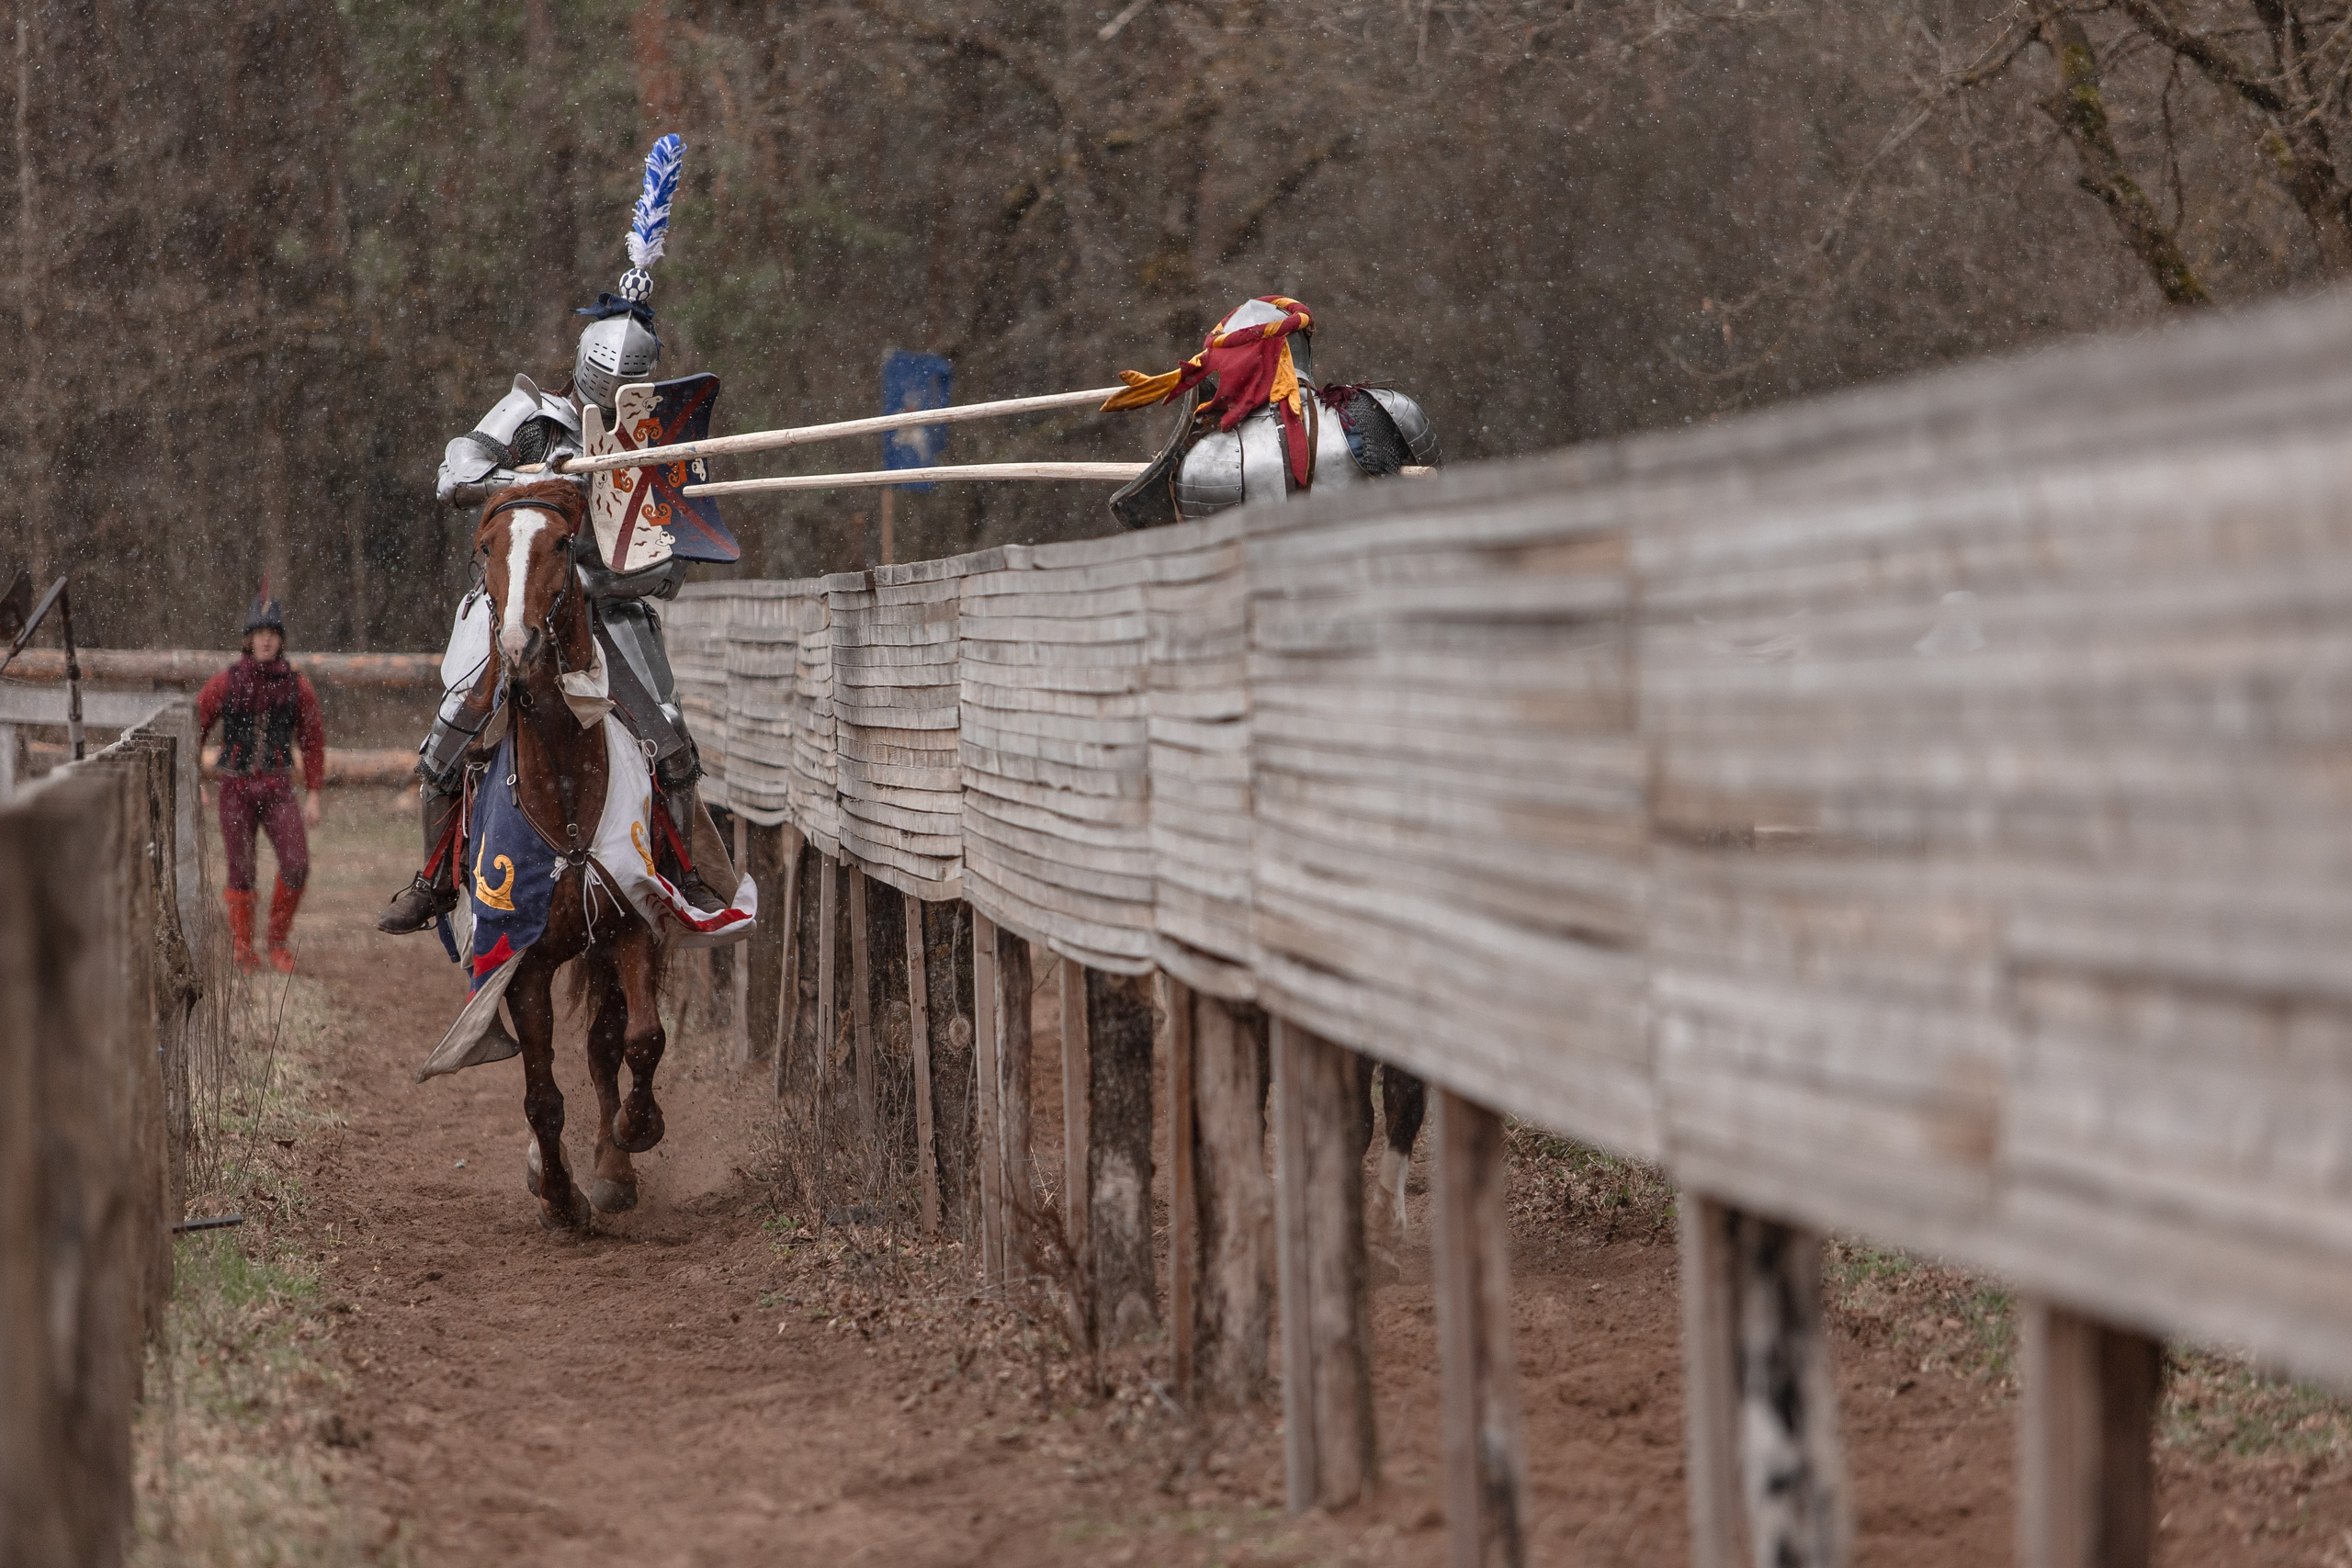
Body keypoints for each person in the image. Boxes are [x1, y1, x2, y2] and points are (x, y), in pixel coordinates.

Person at [377, 133, 726, 935]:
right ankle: (435, 877)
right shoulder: (532, 414)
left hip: (609, 616)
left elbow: (667, 567)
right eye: (610, 389)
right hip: (522, 601)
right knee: (445, 744)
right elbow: (452, 473)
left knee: (670, 744)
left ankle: (689, 873)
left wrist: (611, 571)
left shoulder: (655, 448)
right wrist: (529, 483)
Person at [1102, 294, 1440, 529]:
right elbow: (1439, 500)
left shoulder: (1211, 458)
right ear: (1301, 344)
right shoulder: (1379, 411)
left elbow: (1209, 556)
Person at [198, 592, 324, 973]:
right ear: (248, 639)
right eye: (259, 632)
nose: (266, 639)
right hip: (234, 790)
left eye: (272, 632)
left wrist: (314, 792)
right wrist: (195, 781)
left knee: (297, 864)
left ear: (281, 639)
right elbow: (194, 727)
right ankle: (242, 948)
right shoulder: (225, 682)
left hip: (278, 789)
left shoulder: (297, 686)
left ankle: (277, 942)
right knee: (240, 870)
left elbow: (313, 738)